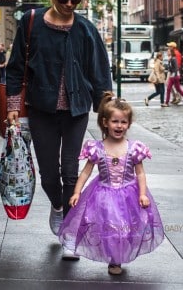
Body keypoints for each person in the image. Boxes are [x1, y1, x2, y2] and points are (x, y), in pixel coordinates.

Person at [6, 0, 112, 258]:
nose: (69, 5)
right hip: (41, 108)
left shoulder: (85, 29)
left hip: (76, 110)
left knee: (70, 172)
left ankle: (69, 229)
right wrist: (14, 106)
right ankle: (57, 206)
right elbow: (16, 67)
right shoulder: (32, 22)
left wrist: (106, 111)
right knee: (50, 175)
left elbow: (100, 72)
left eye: (75, 0)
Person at [58, 91, 164, 274]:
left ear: (128, 124)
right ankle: (114, 260)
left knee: (127, 228)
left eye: (123, 122)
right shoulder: (96, 148)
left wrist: (143, 194)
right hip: (103, 194)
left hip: (128, 194)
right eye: (115, 121)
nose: (119, 125)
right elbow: (85, 172)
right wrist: (76, 192)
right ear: (105, 123)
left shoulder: (134, 148)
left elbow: (140, 174)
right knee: (110, 228)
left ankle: (121, 252)